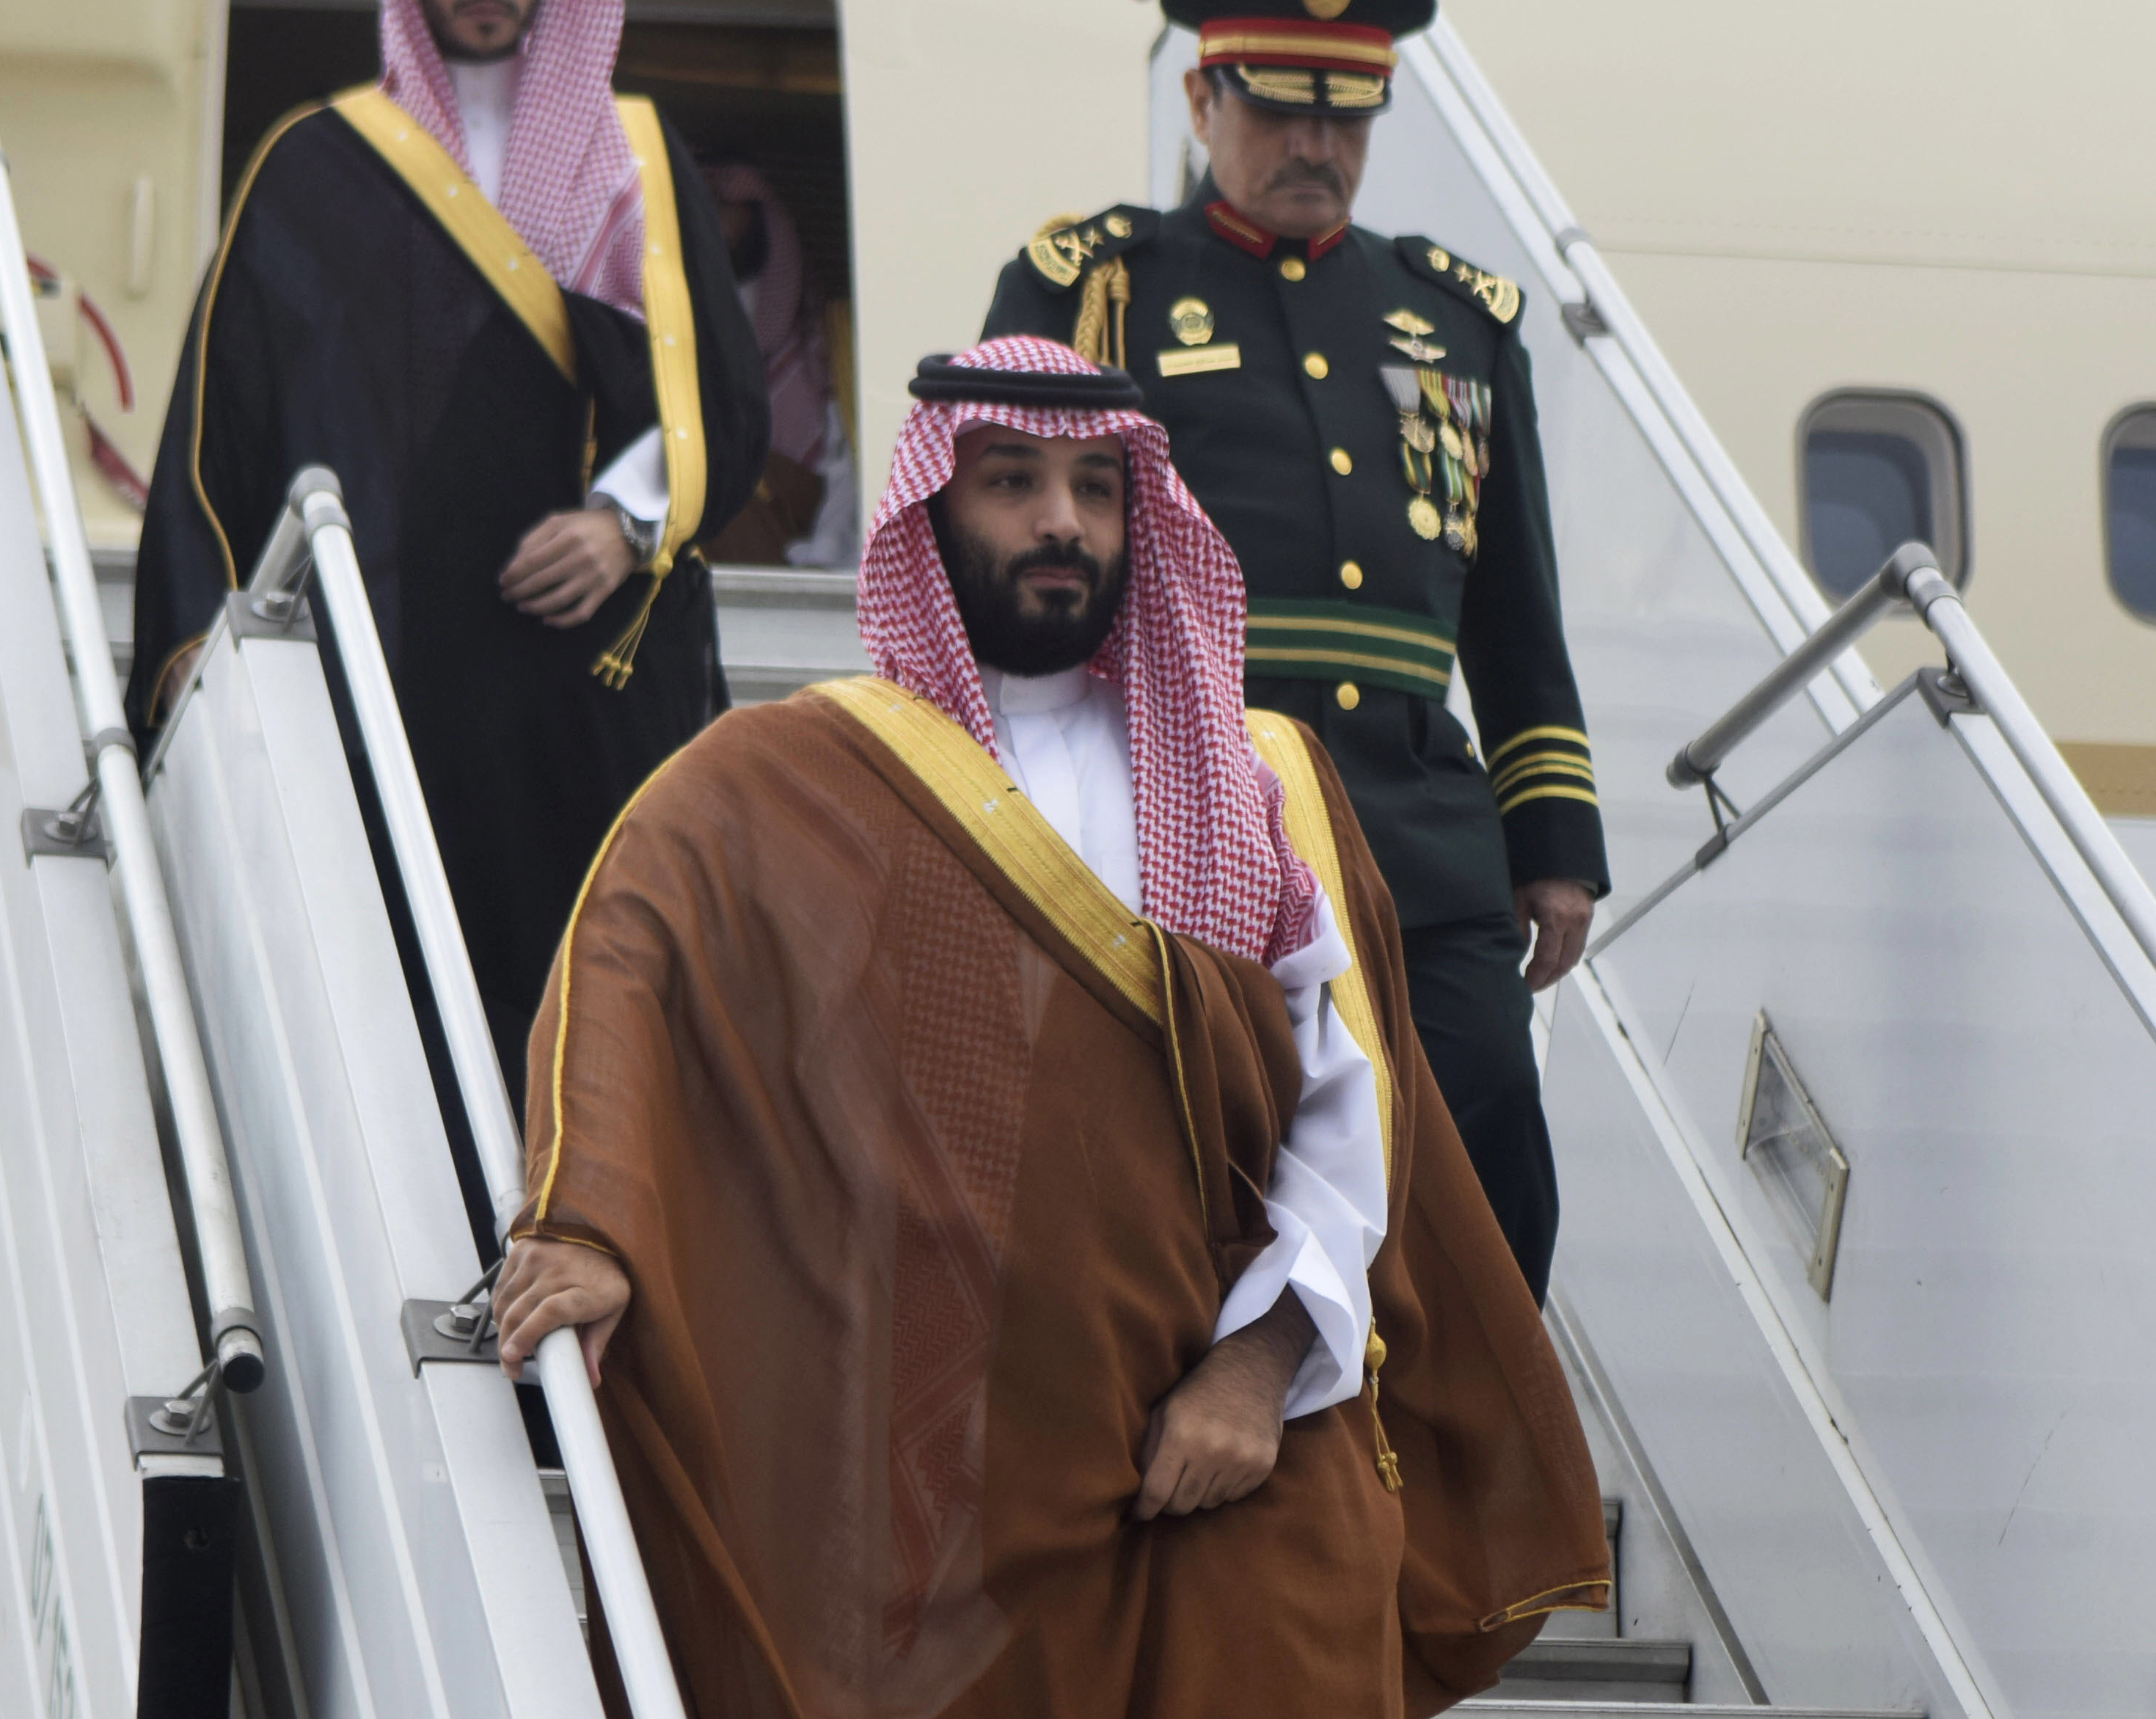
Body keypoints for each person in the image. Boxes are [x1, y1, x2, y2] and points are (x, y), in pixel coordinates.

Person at [493, 337, 1608, 1716]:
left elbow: (1346, 1107)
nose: (1061, 520)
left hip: (1242, 1430)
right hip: (962, 1461)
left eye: (1095, 485)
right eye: (1012, 480)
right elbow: (627, 948)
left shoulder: (1259, 780)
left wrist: (1258, 1374)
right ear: (933, 508)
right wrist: (586, 1221)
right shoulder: (806, 776)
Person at [979, 0, 1607, 1304]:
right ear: (1204, 104)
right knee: (1217, 1156)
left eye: (1350, 116)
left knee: (1485, 1115)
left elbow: (1513, 613)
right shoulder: (1103, 289)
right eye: (1279, 108)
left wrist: (1555, 844)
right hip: (1195, 792)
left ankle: (1471, 1460)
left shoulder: (1455, 322)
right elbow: (1000, 544)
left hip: (1417, 820)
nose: (1317, 144)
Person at [127, 0, 767, 1106]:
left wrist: (622, 522)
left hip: (588, 669)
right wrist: (195, 633)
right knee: (400, 1003)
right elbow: (220, 422)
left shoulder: (636, 154)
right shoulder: (314, 165)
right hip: (394, 668)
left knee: (611, 1001)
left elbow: (723, 406)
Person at [695, 158, 860, 569]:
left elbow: (849, 470)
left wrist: (826, 552)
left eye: (727, 211)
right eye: (706, 213)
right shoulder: (680, 322)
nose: (720, 230)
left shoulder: (825, 349)